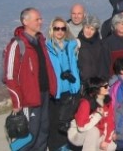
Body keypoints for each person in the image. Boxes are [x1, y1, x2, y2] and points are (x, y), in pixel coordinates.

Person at [3, 7, 58, 151]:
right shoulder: (17, 45)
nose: (41, 21)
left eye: (40, 18)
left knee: (43, 131)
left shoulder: (39, 41)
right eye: (37, 19)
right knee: (29, 135)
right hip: (29, 98)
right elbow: (10, 76)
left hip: (44, 93)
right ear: (25, 21)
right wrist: (17, 101)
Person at [46, 17, 82, 151]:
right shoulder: (47, 48)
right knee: (56, 121)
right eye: (57, 28)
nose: (60, 31)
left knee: (70, 121)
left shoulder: (71, 46)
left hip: (71, 89)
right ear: (52, 30)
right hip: (56, 91)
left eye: (63, 28)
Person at [68, 76, 116, 151]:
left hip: (97, 132)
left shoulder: (107, 102)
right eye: (106, 86)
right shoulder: (86, 103)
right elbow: (81, 128)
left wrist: (106, 140)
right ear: (96, 89)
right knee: (94, 131)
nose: (109, 88)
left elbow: (110, 123)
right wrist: (98, 115)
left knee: (111, 146)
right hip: (77, 134)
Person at [77, 15, 108, 83]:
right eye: (87, 28)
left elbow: (104, 63)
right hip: (83, 82)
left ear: (96, 30)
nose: (89, 31)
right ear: (83, 27)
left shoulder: (101, 44)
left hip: (98, 82)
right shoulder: (77, 43)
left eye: (92, 29)